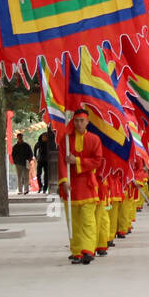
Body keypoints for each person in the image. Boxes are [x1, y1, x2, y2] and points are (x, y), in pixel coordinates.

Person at [58, 109, 103, 263]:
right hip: (71, 187)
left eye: (82, 120)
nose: (78, 123)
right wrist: (64, 181)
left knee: (88, 221)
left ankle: (88, 250)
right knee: (74, 221)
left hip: (88, 186)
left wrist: (76, 161)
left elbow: (98, 161)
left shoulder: (94, 139)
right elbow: (61, 163)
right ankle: (77, 251)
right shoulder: (66, 140)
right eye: (76, 120)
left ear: (87, 122)